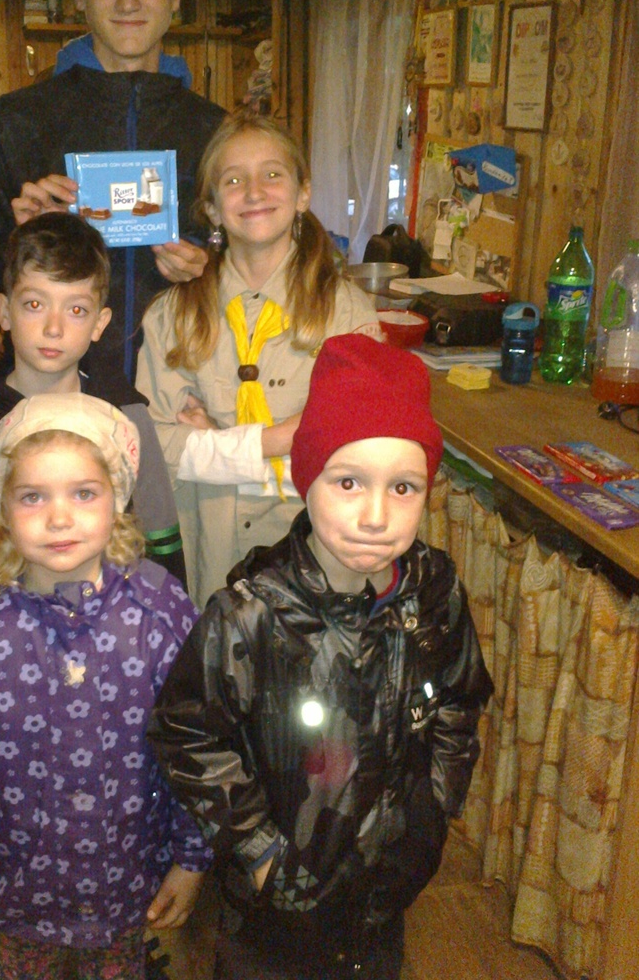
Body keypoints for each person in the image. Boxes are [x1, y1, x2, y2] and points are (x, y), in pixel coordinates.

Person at [148, 334, 494, 980]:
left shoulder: (435, 592)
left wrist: (433, 807)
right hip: (272, 916)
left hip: (386, 895)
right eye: (348, 482)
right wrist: (260, 851)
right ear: (307, 481)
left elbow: (460, 698)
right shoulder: (251, 615)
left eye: (404, 487)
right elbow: (187, 731)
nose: (375, 515)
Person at [0, 392, 212, 977]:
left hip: (129, 876)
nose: (59, 517)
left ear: (117, 498)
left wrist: (191, 857)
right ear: (2, 507)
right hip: (19, 883)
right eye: (33, 496)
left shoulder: (159, 609)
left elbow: (196, 742)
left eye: (84, 493)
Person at [0, 0, 225, 380]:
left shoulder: (217, 133)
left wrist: (210, 267)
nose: (128, 0)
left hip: (185, 398)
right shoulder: (15, 122)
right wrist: (21, 243)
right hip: (54, 399)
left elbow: (268, 270)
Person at [136, 111, 381, 607]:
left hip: (318, 571)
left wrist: (213, 446)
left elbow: (357, 455)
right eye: (233, 180)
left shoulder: (349, 315)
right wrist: (280, 440)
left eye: (272, 174)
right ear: (211, 207)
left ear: (303, 194)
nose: (253, 192)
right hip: (209, 565)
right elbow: (150, 446)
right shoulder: (172, 315)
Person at [0, 211, 186, 658]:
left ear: (100, 323)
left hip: (118, 648)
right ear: (4, 311)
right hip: (5, 651)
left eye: (76, 309)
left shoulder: (127, 416)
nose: (54, 327)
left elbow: (161, 548)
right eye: (34, 304)